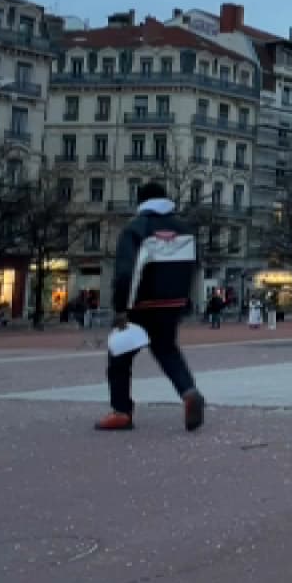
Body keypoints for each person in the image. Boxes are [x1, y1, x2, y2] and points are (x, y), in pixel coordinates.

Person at [94, 182, 206, 433]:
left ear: (140, 201)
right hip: (173, 304)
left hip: (141, 304)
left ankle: (121, 412)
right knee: (167, 351)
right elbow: (193, 267)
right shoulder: (185, 229)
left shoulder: (136, 228)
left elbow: (125, 272)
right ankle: (189, 393)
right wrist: (183, 301)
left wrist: (121, 307)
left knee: (119, 357)